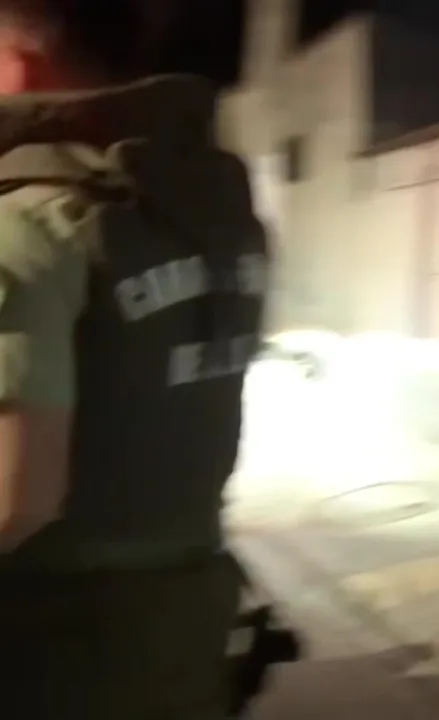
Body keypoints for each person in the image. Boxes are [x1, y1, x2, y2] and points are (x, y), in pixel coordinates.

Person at [0, 3, 267, 718]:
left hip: (53, 657)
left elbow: (14, 499)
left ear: (18, 63)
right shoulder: (214, 215)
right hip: (187, 633)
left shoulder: (28, 224)